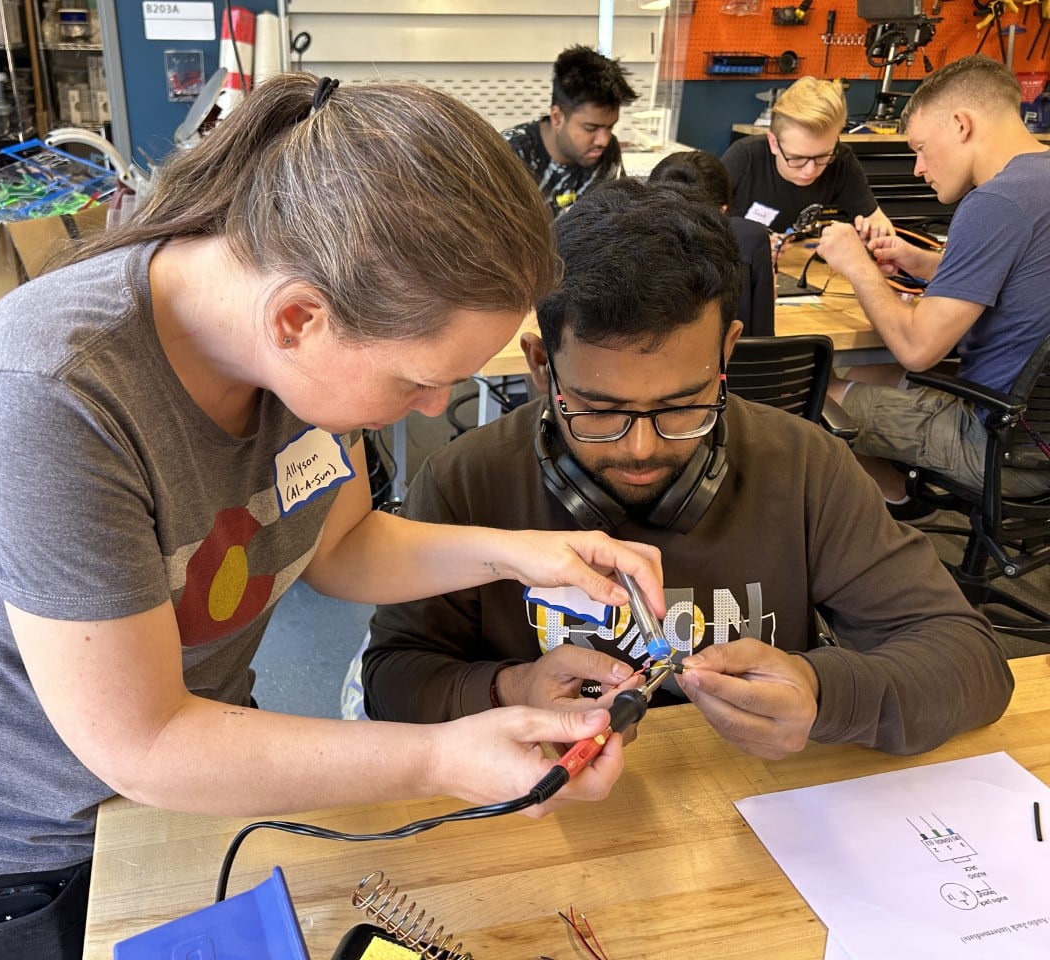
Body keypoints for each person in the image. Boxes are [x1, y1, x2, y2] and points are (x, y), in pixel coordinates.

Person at [0, 74, 666, 960]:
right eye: (417, 379)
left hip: (196, 771)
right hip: (20, 842)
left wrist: (526, 555)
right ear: (299, 318)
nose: (433, 405)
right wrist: (442, 756)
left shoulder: (299, 355)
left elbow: (345, 544)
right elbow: (144, 739)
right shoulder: (49, 395)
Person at [360, 178, 1013, 761]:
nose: (641, 448)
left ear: (727, 349)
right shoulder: (466, 480)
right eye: (598, 409)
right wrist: (509, 690)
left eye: (681, 406)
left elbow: (971, 661)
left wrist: (822, 691)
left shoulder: (804, 465)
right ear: (540, 366)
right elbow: (393, 682)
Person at [816, 56, 1050, 515]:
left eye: (921, 147)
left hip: (1000, 445)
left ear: (962, 124)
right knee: (864, 376)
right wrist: (922, 262)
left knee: (810, 394)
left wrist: (856, 264)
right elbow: (1023, 276)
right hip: (1033, 432)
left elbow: (918, 349)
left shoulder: (993, 202)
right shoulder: (1036, 184)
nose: (918, 168)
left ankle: (899, 508)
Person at [721, 76, 893, 240]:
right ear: (774, 143)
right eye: (797, 158)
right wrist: (747, 245)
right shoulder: (744, 158)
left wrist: (877, 236)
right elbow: (699, 228)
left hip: (794, 255)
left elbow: (877, 220)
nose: (810, 171)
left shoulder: (842, 160)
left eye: (823, 156)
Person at [501, 44, 638, 217]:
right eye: (591, 128)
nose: (603, 140)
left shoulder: (608, 151)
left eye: (610, 126)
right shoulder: (510, 153)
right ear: (557, 117)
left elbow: (613, 221)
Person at [650, 149, 775, 336]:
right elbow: (763, 337)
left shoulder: (627, 243)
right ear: (723, 208)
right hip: (733, 363)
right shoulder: (749, 239)